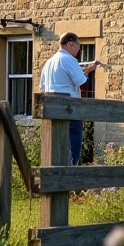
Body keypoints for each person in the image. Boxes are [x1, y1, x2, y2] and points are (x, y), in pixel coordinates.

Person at [38, 31, 102, 165]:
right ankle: (69, 174)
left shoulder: (49, 62)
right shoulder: (68, 59)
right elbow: (82, 82)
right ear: (71, 44)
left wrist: (86, 70)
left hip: (52, 111)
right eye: (78, 45)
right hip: (69, 110)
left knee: (54, 149)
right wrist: (87, 72)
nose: (79, 49)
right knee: (72, 149)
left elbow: (42, 88)